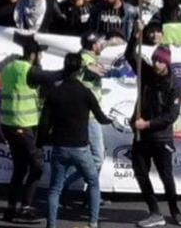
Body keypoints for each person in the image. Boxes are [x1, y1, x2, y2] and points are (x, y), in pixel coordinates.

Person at [38, 52, 122, 228]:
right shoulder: (85, 92)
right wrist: (112, 120)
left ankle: (51, 225)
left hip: (59, 148)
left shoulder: (54, 92)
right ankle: (92, 222)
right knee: (92, 182)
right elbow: (100, 117)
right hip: (80, 148)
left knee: (55, 189)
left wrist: (40, 143)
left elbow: (44, 123)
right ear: (78, 70)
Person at [0, 34, 62, 222]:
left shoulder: (9, 67)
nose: (41, 58)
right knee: (37, 165)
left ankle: (11, 209)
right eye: (40, 55)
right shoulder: (27, 70)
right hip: (21, 125)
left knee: (20, 168)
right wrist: (73, 67)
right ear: (33, 55)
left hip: (9, 124)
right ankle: (25, 208)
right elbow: (51, 76)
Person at [129, 44, 181, 227]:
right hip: (141, 136)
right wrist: (135, 36)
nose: (156, 63)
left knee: (166, 177)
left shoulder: (175, 85)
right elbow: (130, 54)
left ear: (167, 62)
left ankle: (175, 210)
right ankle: (154, 211)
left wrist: (148, 124)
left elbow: (171, 116)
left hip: (161, 139)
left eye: (160, 60)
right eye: (154, 59)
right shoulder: (146, 73)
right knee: (140, 174)